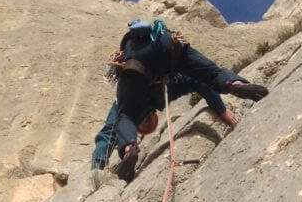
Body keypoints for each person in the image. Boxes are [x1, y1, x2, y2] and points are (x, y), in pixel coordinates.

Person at [97, 19, 268, 178]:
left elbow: (118, 125)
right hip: (166, 42)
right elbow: (199, 83)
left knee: (125, 116)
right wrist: (221, 111)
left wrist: (101, 164)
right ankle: (236, 84)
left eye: (144, 125)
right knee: (211, 73)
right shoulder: (166, 93)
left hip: (133, 59)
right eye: (148, 125)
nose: (145, 122)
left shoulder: (127, 104)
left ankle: (129, 148)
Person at [91, 73, 240, 170]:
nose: (141, 122)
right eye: (145, 124)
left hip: (147, 87)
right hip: (159, 84)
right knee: (113, 131)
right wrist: (221, 110)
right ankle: (238, 84)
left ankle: (98, 167)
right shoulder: (157, 96)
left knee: (110, 132)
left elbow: (107, 136)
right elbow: (198, 80)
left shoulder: (124, 110)